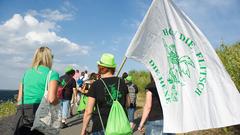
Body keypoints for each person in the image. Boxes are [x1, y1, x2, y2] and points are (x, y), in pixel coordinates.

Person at [81, 53, 130, 135]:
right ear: (113, 68)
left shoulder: (96, 84)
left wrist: (83, 129)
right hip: (120, 126)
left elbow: (88, 111)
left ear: (101, 67)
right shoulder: (122, 82)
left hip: (101, 126)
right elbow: (128, 103)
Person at [15, 46, 59, 135]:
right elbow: (51, 99)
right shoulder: (52, 74)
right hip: (41, 110)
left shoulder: (26, 73)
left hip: (23, 111)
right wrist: (58, 101)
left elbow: (19, 98)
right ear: (49, 58)